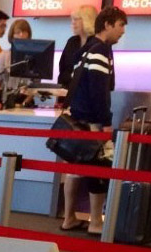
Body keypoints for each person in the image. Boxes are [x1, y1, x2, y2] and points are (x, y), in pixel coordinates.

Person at [60, 6, 128, 235]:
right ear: (107, 25)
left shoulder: (86, 49)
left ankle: (69, 217)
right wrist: (106, 121)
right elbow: (99, 91)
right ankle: (96, 221)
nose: (123, 32)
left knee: (74, 169)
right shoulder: (101, 50)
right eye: (120, 26)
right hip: (91, 121)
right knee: (98, 168)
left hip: (77, 117)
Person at [58, 5, 98, 88]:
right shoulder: (71, 41)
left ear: (87, 20)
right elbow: (62, 70)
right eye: (72, 19)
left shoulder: (97, 44)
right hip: (67, 92)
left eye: (76, 19)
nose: (73, 22)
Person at [0, 19, 32, 94]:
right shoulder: (3, 55)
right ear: (12, 35)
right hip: (6, 97)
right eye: (18, 32)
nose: (21, 35)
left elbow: (35, 83)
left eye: (24, 32)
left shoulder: (33, 57)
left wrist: (25, 102)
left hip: (27, 98)